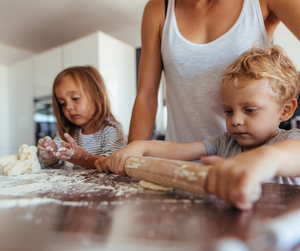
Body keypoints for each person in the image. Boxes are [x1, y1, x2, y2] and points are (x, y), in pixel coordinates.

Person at [98, 45, 300, 210]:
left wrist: (263, 159)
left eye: (250, 110)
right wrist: (140, 146)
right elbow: (178, 150)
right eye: (228, 111)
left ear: (285, 110)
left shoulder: (288, 140)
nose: (235, 120)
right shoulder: (225, 142)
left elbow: (294, 154)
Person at [128, 0, 300, 144]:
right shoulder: (158, 8)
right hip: (178, 162)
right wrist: (127, 161)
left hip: (249, 164)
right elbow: (147, 96)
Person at [38, 66, 125, 168]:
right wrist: (49, 155)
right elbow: (55, 159)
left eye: (75, 98)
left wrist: (85, 159)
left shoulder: (111, 130)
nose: (68, 107)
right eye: (62, 103)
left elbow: (112, 164)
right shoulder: (67, 132)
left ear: (98, 96)